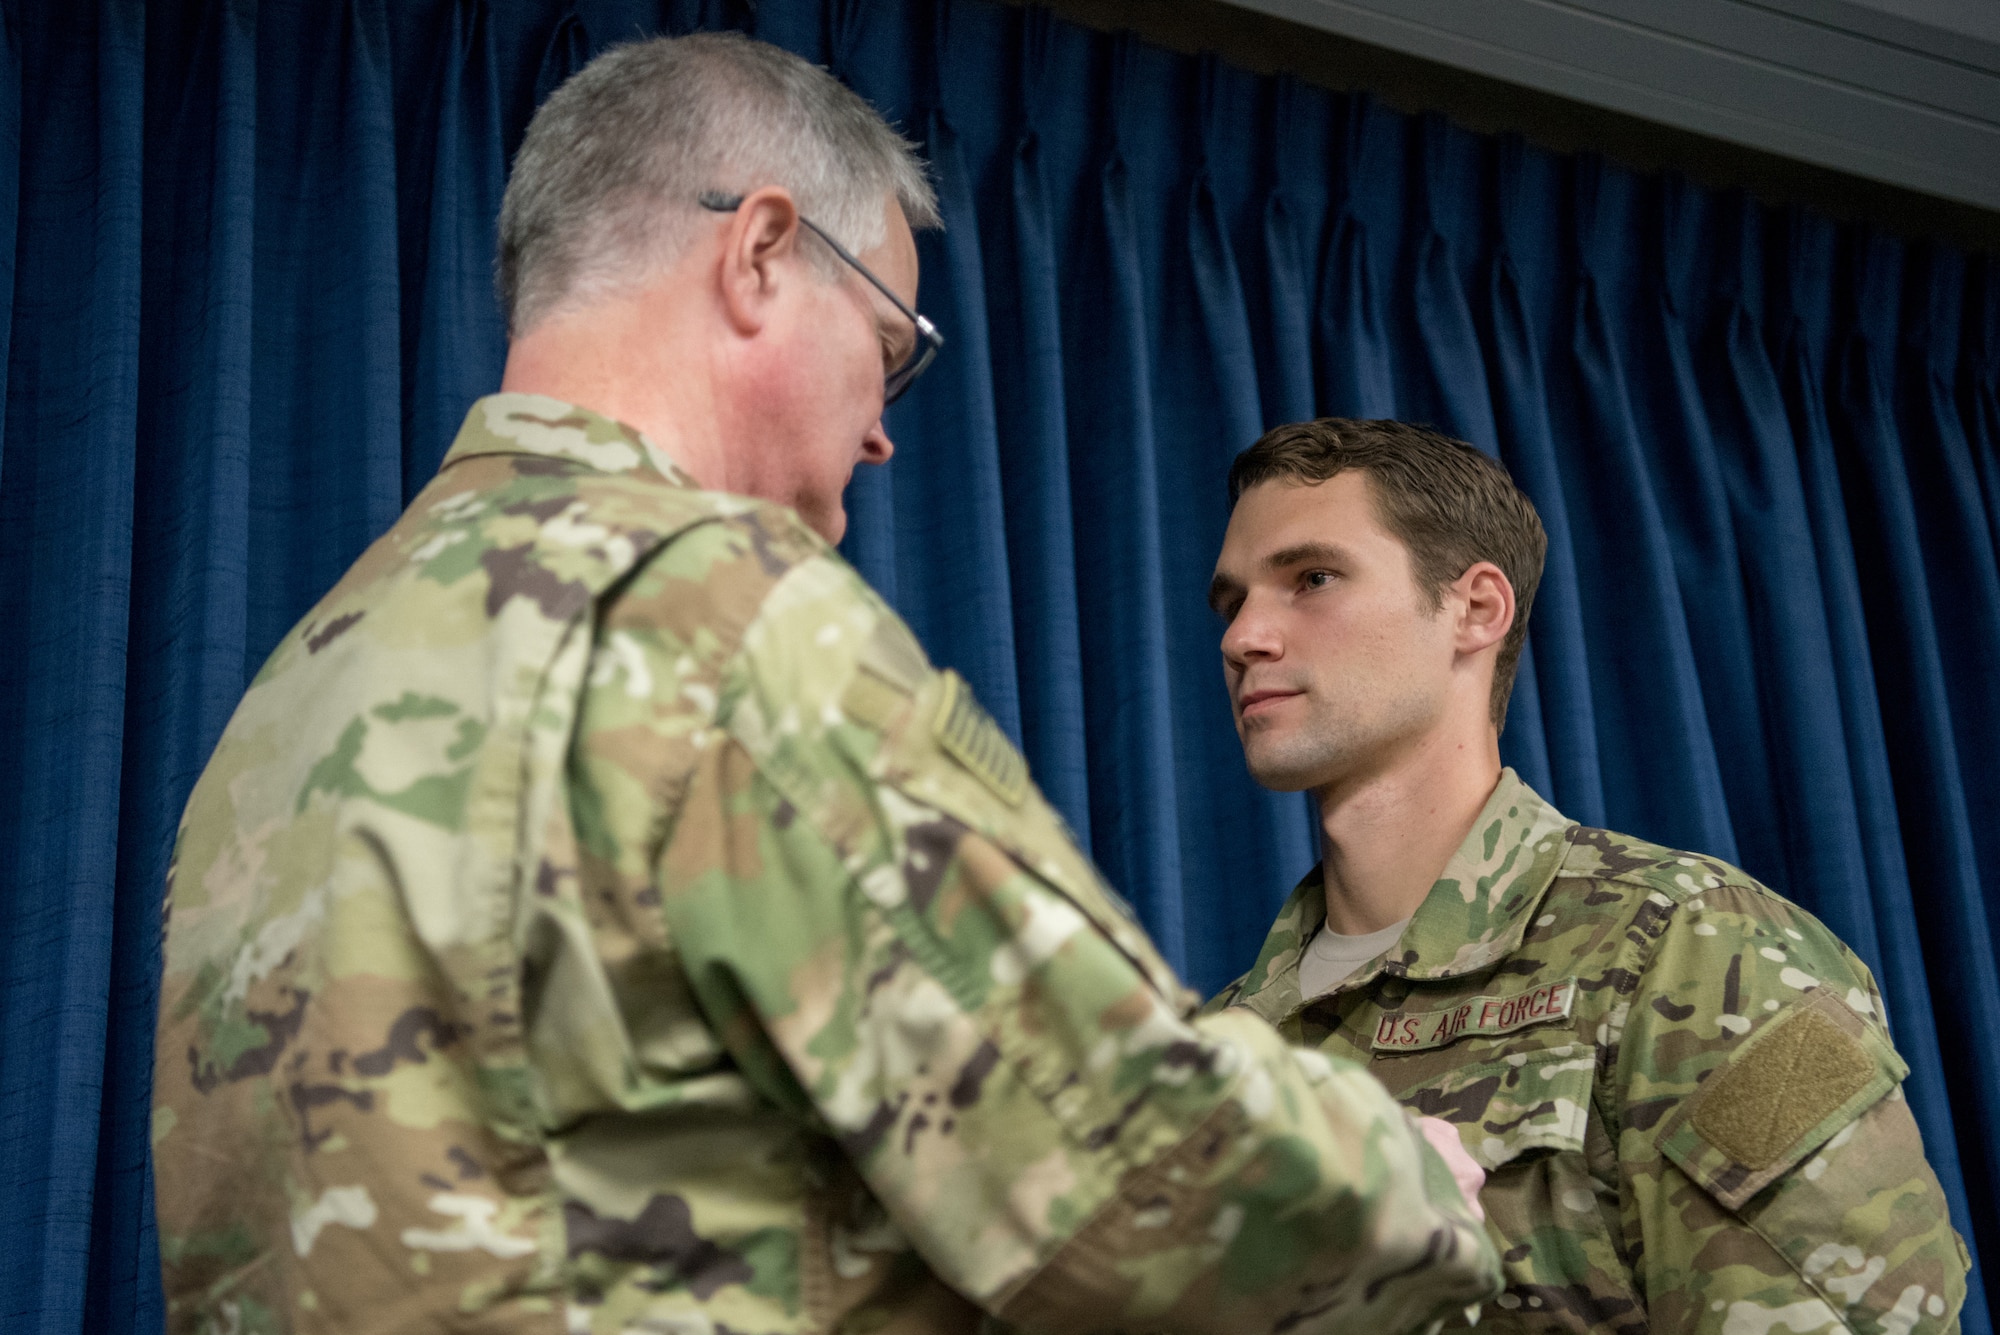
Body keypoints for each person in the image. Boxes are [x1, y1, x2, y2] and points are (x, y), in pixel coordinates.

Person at [150, 35, 1502, 1335]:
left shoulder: (299, 690)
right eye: (890, 339)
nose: (880, 428)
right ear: (761, 253)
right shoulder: (708, 612)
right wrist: (1413, 1178)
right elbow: (1118, 1161)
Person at [1203, 417, 1971, 1334]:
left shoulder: (1688, 948)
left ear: (1476, 610)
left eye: (1312, 579)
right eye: (1232, 600)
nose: (1245, 635)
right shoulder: (1216, 1049)